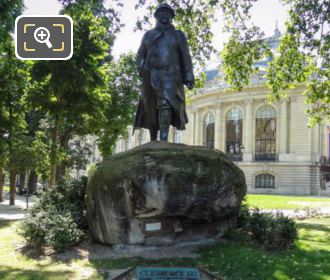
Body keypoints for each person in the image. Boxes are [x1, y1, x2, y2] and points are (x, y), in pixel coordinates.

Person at [133, 3, 195, 141]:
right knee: (150, 108)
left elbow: (186, 56)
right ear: (156, 16)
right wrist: (142, 67)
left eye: (167, 12)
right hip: (150, 75)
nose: (164, 14)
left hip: (171, 76)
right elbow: (140, 55)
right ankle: (153, 138)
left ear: (171, 16)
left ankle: (164, 138)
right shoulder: (148, 35)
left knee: (165, 103)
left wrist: (189, 75)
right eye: (161, 12)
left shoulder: (178, 35)